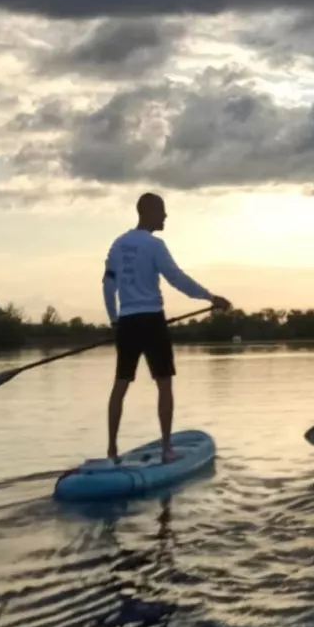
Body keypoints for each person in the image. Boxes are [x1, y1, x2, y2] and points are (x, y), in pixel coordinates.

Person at [101, 192, 231, 463]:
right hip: (151, 320)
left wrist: (114, 320)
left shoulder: (117, 245)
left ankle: (112, 450)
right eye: (162, 211)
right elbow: (177, 278)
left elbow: (108, 284)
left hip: (127, 322)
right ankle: (167, 449)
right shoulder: (154, 245)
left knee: (120, 384)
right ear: (148, 212)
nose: (165, 216)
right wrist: (210, 297)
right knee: (164, 384)